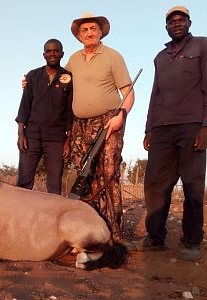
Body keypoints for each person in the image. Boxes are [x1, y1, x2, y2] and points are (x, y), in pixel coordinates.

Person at [132, 6, 207, 261]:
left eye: (181, 19)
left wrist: (206, 126)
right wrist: (149, 128)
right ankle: (154, 238)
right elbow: (155, 94)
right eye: (171, 21)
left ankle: (192, 241)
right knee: (155, 184)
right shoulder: (160, 57)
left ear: (189, 22)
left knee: (192, 184)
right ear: (166, 26)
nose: (176, 23)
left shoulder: (202, 46)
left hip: (192, 125)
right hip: (162, 129)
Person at [66, 13, 135, 241]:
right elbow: (60, 85)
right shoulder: (73, 60)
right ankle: (90, 228)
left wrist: (121, 116)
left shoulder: (113, 56)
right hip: (79, 126)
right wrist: (30, 82)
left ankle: (115, 232)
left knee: (108, 174)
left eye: (93, 28)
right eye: (84, 29)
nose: (89, 33)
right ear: (79, 35)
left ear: (100, 31)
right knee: (84, 175)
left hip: (108, 121)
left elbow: (129, 93)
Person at [15, 39, 73, 195]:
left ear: (62, 54)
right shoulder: (33, 76)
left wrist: (68, 141)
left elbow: (69, 111)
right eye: (49, 51)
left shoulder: (68, 78)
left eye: (56, 50)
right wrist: (21, 134)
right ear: (44, 54)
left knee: (54, 186)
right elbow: (24, 105)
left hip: (56, 139)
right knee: (23, 183)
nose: (52, 54)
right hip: (32, 136)